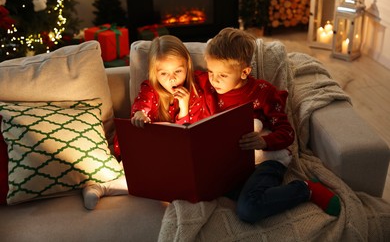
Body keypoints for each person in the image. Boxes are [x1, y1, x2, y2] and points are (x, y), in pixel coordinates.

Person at [204, 27, 341, 224]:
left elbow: (287, 133)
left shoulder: (263, 93)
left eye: (222, 75)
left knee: (248, 209)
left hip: (267, 159)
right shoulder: (210, 88)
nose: (213, 80)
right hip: (236, 161)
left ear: (244, 72)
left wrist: (263, 141)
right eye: (210, 72)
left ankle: (306, 189)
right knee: (207, 187)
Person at [83, 35, 213, 210]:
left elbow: (191, 132)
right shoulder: (150, 89)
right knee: (146, 177)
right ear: (155, 73)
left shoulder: (196, 91)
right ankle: (100, 187)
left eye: (177, 71)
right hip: (151, 154)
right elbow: (141, 105)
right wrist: (140, 115)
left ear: (187, 66)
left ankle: (108, 187)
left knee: (183, 177)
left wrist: (183, 108)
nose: (172, 79)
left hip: (177, 157)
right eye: (164, 73)